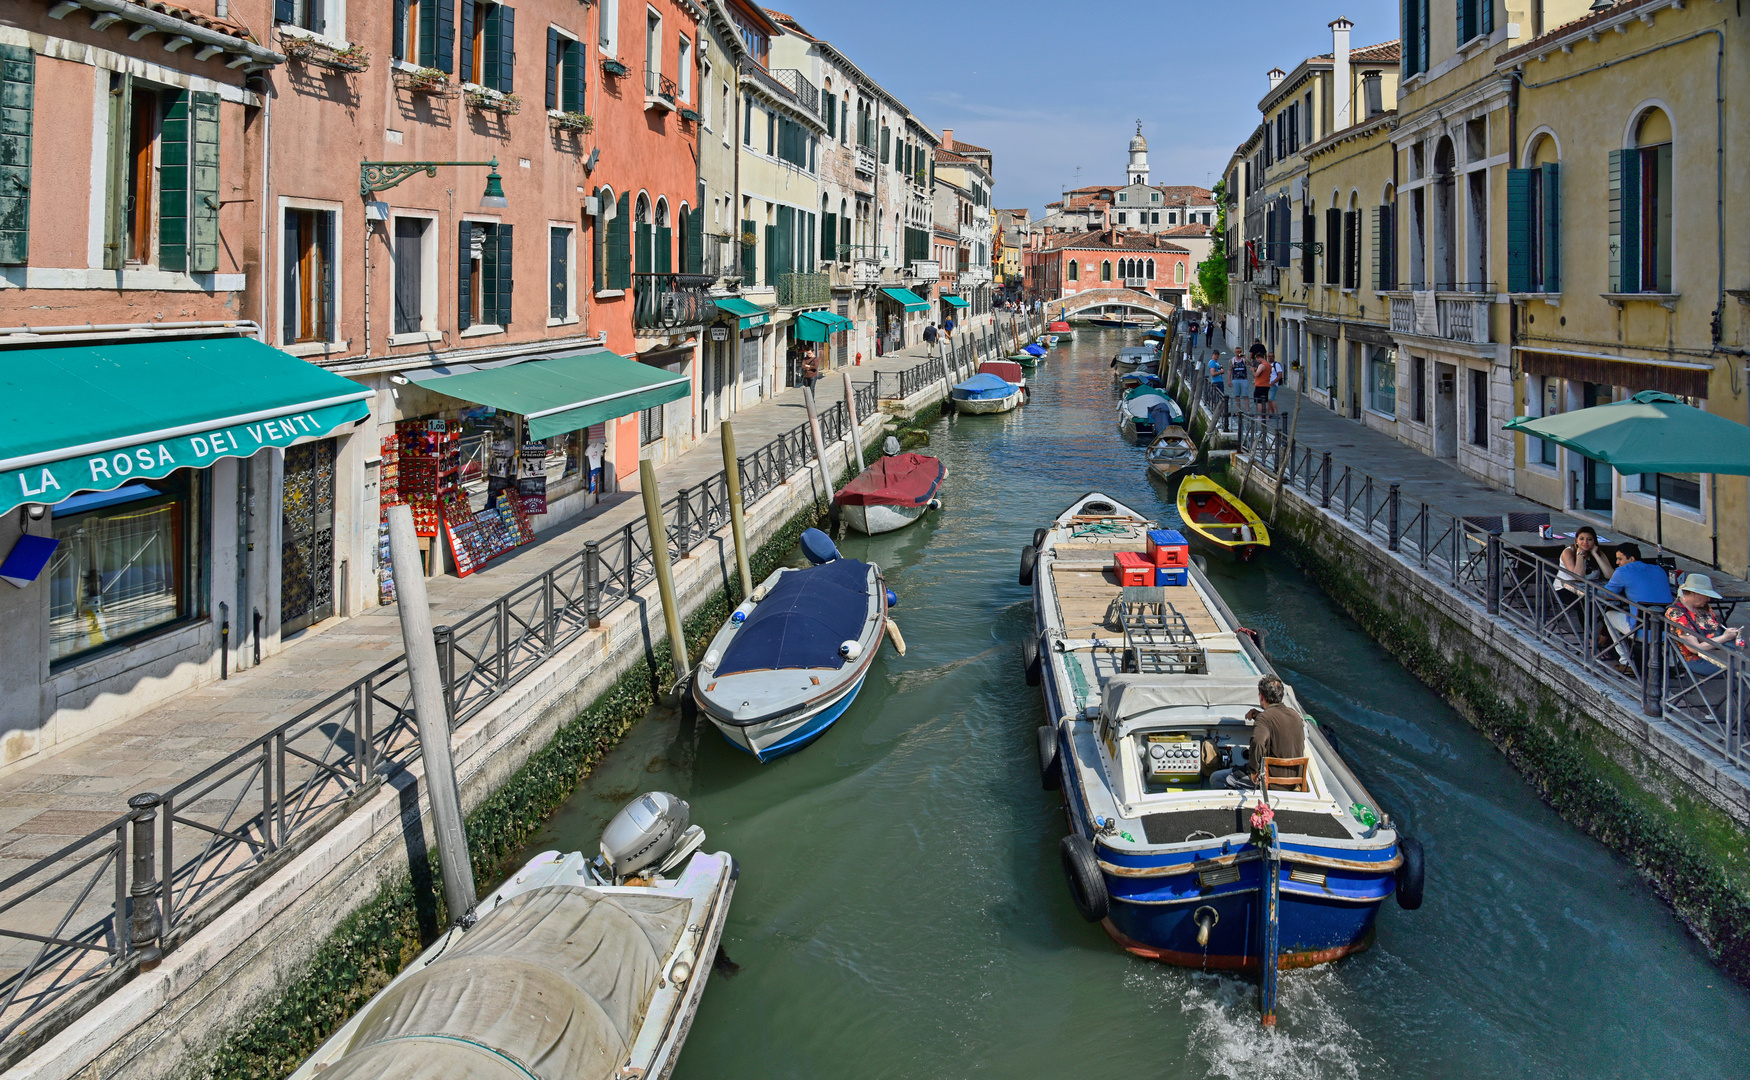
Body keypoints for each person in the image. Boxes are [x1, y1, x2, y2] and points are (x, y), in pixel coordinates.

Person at [1208, 675, 1307, 790]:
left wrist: (1254, 771)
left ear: (1261, 696)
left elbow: (1257, 742)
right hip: (1293, 781)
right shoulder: (1295, 715)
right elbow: (1278, 724)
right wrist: (1258, 715)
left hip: (1271, 782)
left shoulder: (1264, 719)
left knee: (1217, 778)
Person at [1602, 542, 1675, 674]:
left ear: (1631, 559)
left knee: (1609, 615)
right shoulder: (1659, 569)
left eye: (1620, 559)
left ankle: (1626, 662)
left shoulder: (1622, 572)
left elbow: (1607, 594)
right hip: (1667, 629)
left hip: (1641, 630)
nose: (1617, 562)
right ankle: (1671, 664)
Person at [1664, 573, 1743, 677]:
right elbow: (1695, 648)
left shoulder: (1701, 606)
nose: (1709, 599)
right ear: (1693, 593)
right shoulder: (1676, 613)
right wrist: (1724, 637)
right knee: (1742, 670)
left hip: (1718, 653)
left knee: (1743, 663)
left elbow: (1712, 629)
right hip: (1697, 660)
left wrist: (1729, 634)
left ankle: (1735, 690)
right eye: (1706, 595)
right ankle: (1735, 691)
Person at [1554, 526, 1612, 598]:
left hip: (1591, 590)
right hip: (1566, 589)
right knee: (1587, 602)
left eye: (1589, 539)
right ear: (1576, 540)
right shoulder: (1568, 552)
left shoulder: (1599, 553)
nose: (1585, 542)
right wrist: (1580, 555)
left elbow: (1610, 575)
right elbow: (1579, 577)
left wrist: (1595, 554)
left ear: (1594, 541)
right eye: (1581, 539)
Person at [1251, 347, 1272, 418]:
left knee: (1259, 402)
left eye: (1257, 359)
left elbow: (1256, 375)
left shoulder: (1262, 365)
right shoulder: (1268, 365)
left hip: (1260, 385)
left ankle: (1259, 416)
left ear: (1259, 357)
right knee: (1265, 401)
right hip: (1266, 385)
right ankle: (1267, 416)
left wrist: (1253, 371)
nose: (1257, 361)